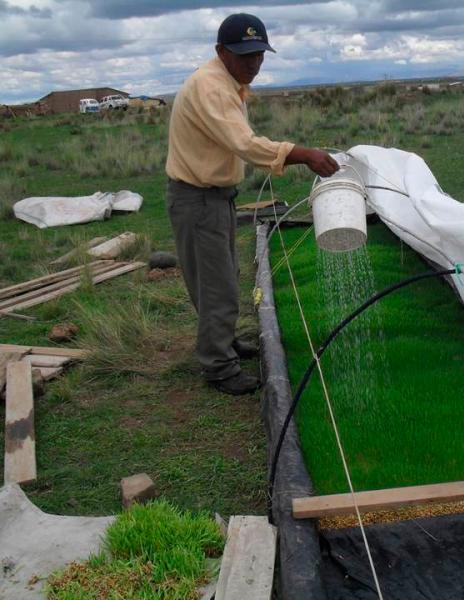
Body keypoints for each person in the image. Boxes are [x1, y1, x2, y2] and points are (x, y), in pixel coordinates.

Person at [165, 13, 339, 395]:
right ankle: (218, 367)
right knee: (218, 286)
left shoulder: (227, 81)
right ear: (220, 52)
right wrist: (302, 153)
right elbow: (243, 143)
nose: (254, 63)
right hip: (198, 199)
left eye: (259, 54)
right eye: (245, 56)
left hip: (214, 197)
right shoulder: (211, 87)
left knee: (221, 276)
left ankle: (222, 344)